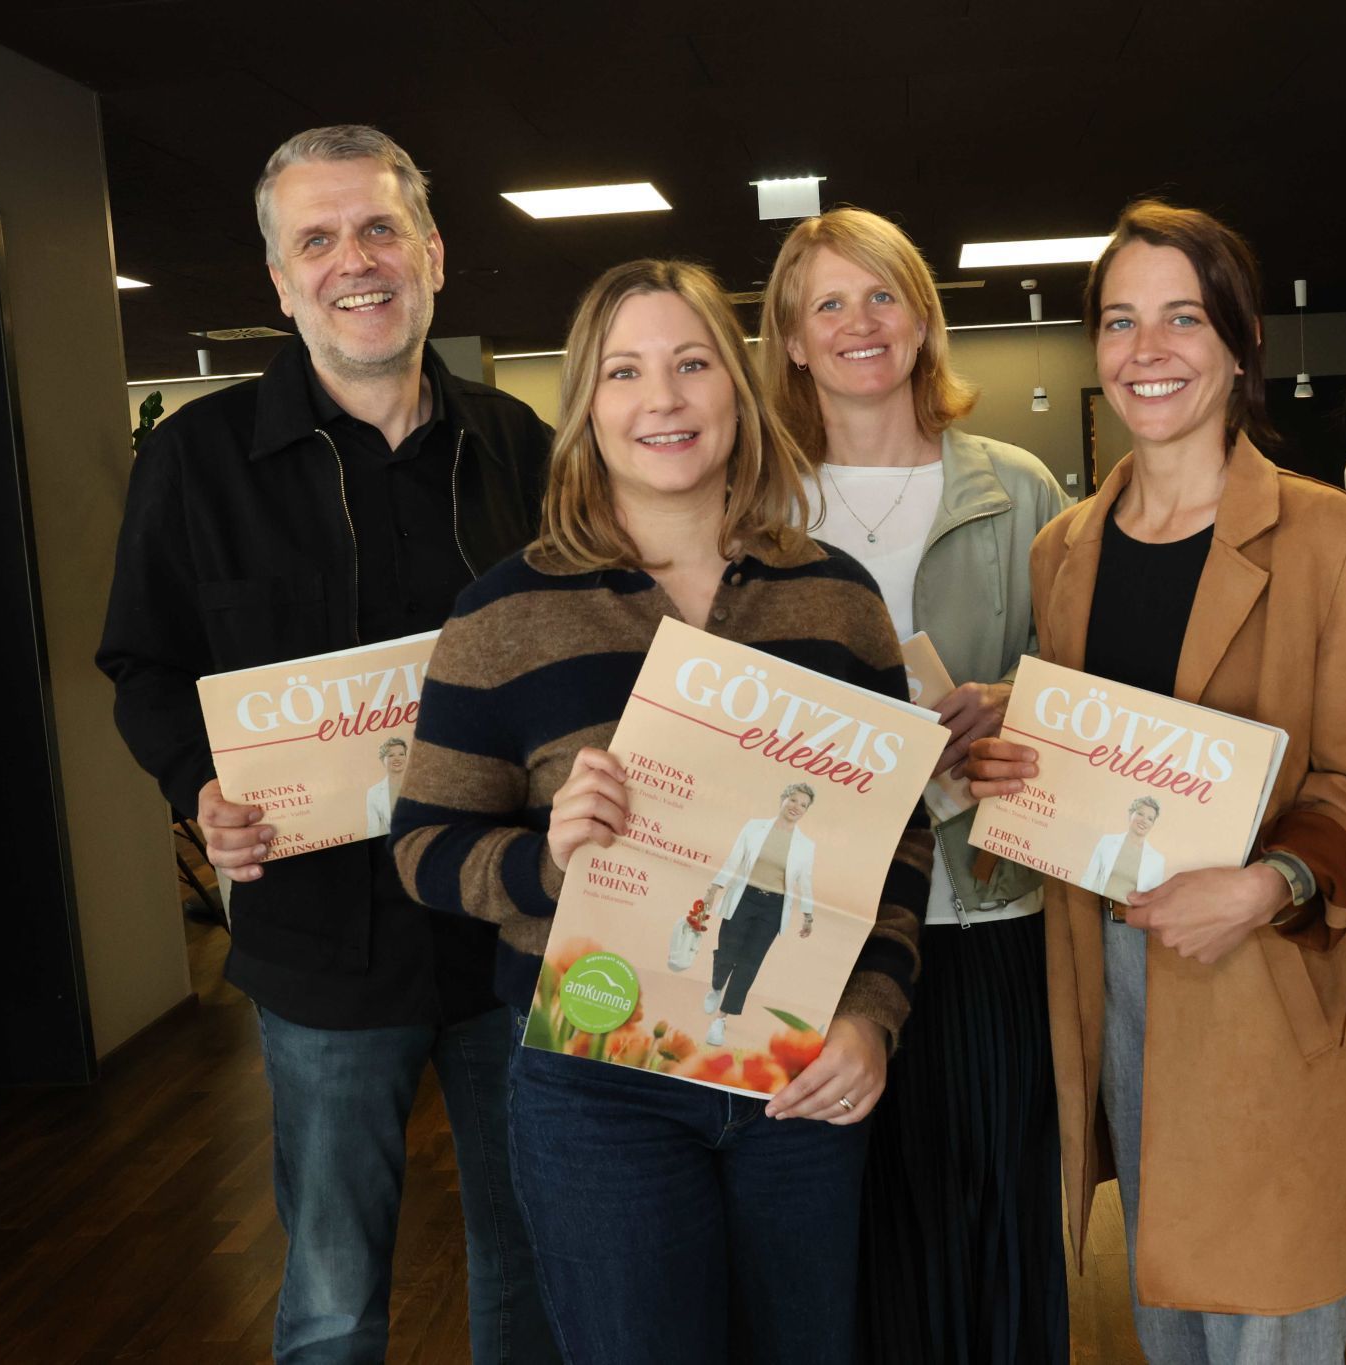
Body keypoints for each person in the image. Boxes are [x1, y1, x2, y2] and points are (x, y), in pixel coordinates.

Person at [389, 257, 933, 1365]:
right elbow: (424, 848)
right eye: (626, 371)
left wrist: (873, 1012)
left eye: (691, 365)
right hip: (598, 1086)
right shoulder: (502, 612)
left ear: (736, 390)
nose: (664, 400)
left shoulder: (832, 596)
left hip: (797, 1071)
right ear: (587, 404)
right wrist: (546, 860)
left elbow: (899, 838)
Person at [95, 125, 560, 1365]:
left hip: (512, 928)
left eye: (377, 229)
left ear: (433, 253)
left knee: (533, 1254)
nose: (353, 260)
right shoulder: (198, 460)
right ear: (279, 277)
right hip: (321, 946)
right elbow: (141, 663)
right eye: (316, 237)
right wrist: (198, 788)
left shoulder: (518, 447)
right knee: (335, 1290)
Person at [967, 200, 1346, 1364]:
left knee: (1269, 1310)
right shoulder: (1065, 548)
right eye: (1118, 321)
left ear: (1237, 339)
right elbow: (1089, 752)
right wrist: (1012, 752)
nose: (1145, 349)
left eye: (1180, 317)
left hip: (1261, 976)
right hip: (1112, 972)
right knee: (1169, 1312)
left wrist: (1264, 885)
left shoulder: (1326, 538)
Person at [760, 204, 1070, 1365]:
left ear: (923, 318)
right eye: (825, 303)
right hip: (823, 923)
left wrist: (1013, 705)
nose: (857, 323)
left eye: (881, 295)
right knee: (861, 1223)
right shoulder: (759, 505)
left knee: (999, 1207)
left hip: (988, 906)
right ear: (789, 340)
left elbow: (1085, 691)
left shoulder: (1020, 488)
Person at [702, 782, 821, 1046]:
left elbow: (806, 881)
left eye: (803, 805)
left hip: (773, 908)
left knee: (749, 964)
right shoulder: (754, 827)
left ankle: (721, 1019)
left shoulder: (805, 845)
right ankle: (716, 986)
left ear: (806, 811)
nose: (796, 807)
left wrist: (808, 915)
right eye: (793, 800)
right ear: (783, 799)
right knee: (726, 954)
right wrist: (714, 889)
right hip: (743, 898)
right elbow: (734, 859)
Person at [1079, 797, 1166, 899]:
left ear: (1152, 824)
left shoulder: (1157, 860)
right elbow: (1089, 878)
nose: (1144, 820)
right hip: (1099, 904)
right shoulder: (1107, 842)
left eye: (1150, 818)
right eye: (1140, 814)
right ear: (1131, 814)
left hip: (1129, 912)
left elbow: (1152, 899)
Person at [363, 735, 408, 838]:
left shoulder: (418, 784)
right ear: (383, 760)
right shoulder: (373, 792)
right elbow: (373, 830)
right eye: (391, 755)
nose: (397, 758)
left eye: (401, 754)